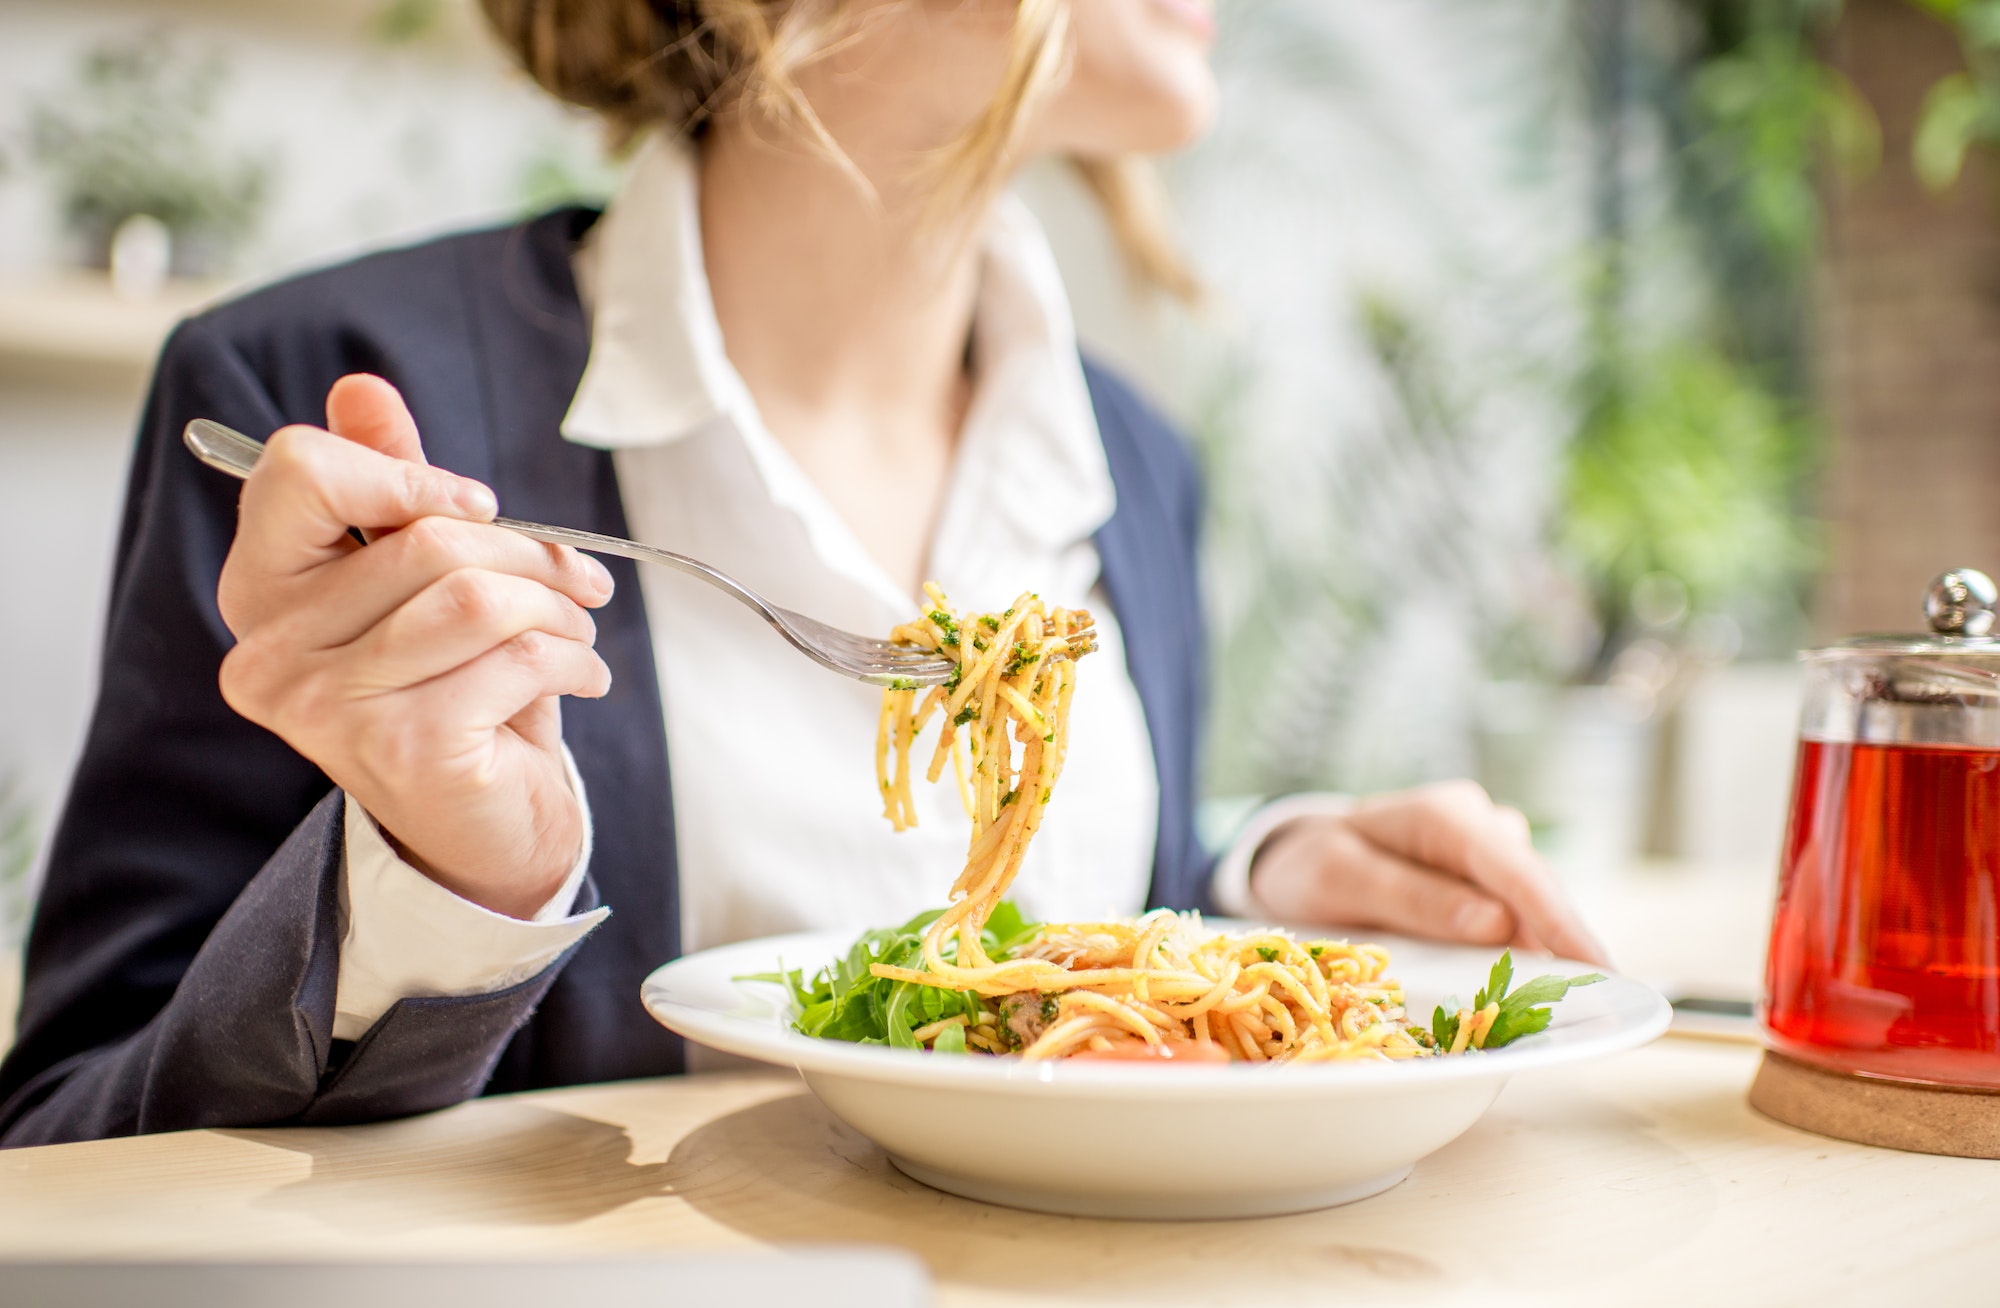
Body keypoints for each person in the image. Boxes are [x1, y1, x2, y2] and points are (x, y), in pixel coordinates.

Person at [0, 0, 1605, 1147]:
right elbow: (74, 1136)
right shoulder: (329, 386)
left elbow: (1009, 946)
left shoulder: (1129, 451)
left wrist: (1252, 885)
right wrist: (437, 887)